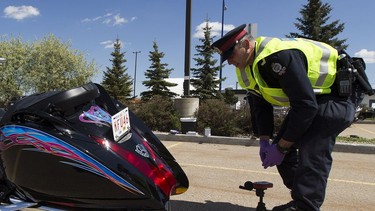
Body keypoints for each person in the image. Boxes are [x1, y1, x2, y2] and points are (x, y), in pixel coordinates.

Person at [212, 24, 368, 211]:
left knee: (312, 145)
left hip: (340, 92)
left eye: (230, 55)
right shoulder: (246, 66)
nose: (228, 62)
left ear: (246, 44)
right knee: (283, 152)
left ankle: (305, 206)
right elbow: (260, 105)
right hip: (313, 99)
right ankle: (303, 196)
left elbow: (305, 107)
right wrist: (265, 141)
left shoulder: (276, 57)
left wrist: (281, 147)